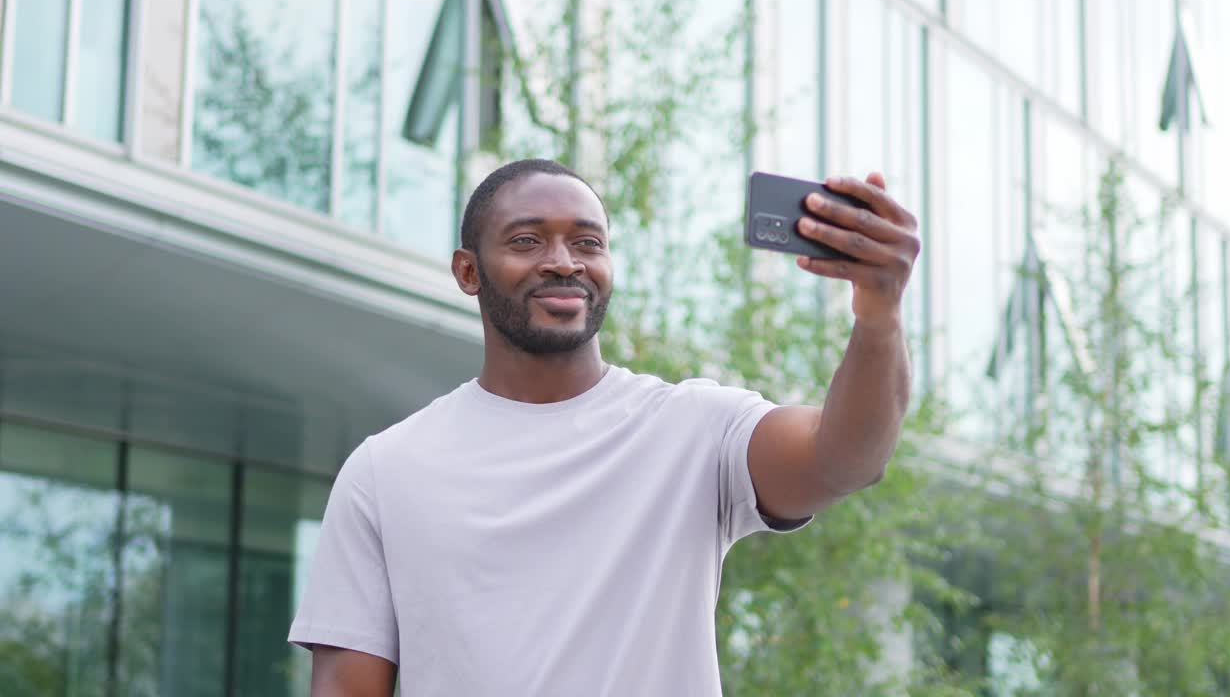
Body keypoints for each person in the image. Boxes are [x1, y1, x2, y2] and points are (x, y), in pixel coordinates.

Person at [288, 158, 921, 696]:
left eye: (588, 243)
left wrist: (879, 315)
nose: (564, 263)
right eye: (527, 241)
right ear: (468, 272)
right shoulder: (386, 469)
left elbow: (846, 460)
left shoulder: (694, 429)